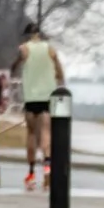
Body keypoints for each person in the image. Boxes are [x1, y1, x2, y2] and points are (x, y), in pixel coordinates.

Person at [14, 22, 64, 191]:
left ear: (27, 35)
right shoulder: (50, 49)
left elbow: (15, 66)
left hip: (31, 98)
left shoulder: (24, 49)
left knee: (31, 135)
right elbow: (59, 72)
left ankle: (31, 175)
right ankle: (47, 169)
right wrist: (58, 82)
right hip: (47, 98)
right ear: (40, 35)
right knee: (46, 134)